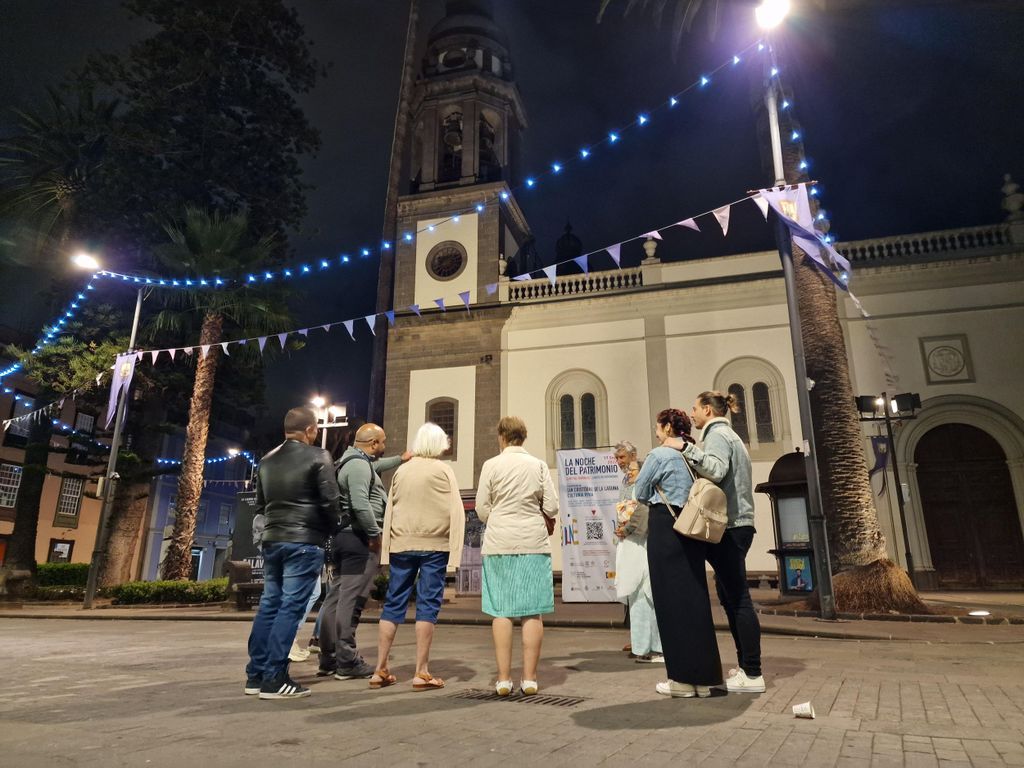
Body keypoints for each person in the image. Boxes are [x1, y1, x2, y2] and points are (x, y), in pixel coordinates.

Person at [663, 390, 764, 694]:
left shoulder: (718, 435)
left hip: (730, 527)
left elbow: (717, 471)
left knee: (738, 599)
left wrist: (684, 448)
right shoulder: (730, 436)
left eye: (694, 409)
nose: (690, 414)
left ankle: (753, 672)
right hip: (739, 525)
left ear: (707, 409)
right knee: (732, 598)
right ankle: (746, 668)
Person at [244, 406, 343, 700]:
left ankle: (255, 674)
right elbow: (330, 502)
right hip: (304, 540)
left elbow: (261, 505)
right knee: (290, 607)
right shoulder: (319, 457)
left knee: (269, 605)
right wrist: (333, 527)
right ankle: (275, 678)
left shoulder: (266, 461)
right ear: (311, 430)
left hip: (273, 540)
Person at [634, 408, 723, 699]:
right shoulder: (691, 453)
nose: (656, 431)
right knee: (694, 600)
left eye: (658, 426)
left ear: (668, 426)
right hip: (692, 528)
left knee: (670, 603)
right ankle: (705, 678)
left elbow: (640, 491)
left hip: (666, 527)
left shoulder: (659, 455)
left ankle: (682, 681)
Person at [370, 422, 465, 691]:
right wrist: (455, 554)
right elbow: (456, 511)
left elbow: (391, 508)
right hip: (434, 545)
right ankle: (421, 672)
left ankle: (380, 669)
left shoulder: (402, 471)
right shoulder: (443, 470)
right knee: (428, 605)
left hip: (402, 543)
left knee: (393, 602)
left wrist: (387, 549)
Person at [318, 423, 408, 680]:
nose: (384, 445)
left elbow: (374, 468)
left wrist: (400, 459)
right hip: (358, 539)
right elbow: (360, 503)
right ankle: (346, 661)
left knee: (335, 598)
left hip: (344, 536)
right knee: (351, 600)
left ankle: (329, 658)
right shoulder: (358, 466)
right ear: (372, 444)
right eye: (382, 442)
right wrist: (374, 534)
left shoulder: (353, 461)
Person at [475, 416, 558, 697]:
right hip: (533, 542)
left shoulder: (491, 465)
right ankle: (530, 678)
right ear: (523, 437)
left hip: (500, 541)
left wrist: (498, 518)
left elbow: (481, 507)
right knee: (532, 611)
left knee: (501, 610)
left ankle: (502, 679)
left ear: (501, 436)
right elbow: (553, 506)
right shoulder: (537, 465)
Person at [612, 440, 662, 664]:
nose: (619, 462)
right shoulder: (626, 481)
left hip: (642, 541)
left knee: (645, 591)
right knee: (636, 592)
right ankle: (641, 640)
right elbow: (625, 508)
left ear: (633, 457)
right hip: (631, 540)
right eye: (617, 458)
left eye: (622, 458)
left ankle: (651, 645)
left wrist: (629, 527)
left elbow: (642, 508)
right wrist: (622, 527)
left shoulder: (643, 478)